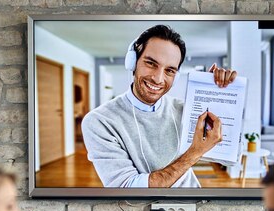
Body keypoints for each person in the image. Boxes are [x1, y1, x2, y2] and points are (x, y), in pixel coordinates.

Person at [82, 24, 236, 188]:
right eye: (151, 63)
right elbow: (127, 188)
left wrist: (217, 94)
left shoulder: (183, 109)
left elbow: (225, 149)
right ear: (133, 63)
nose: (158, 78)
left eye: (170, 70)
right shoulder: (99, 121)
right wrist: (194, 153)